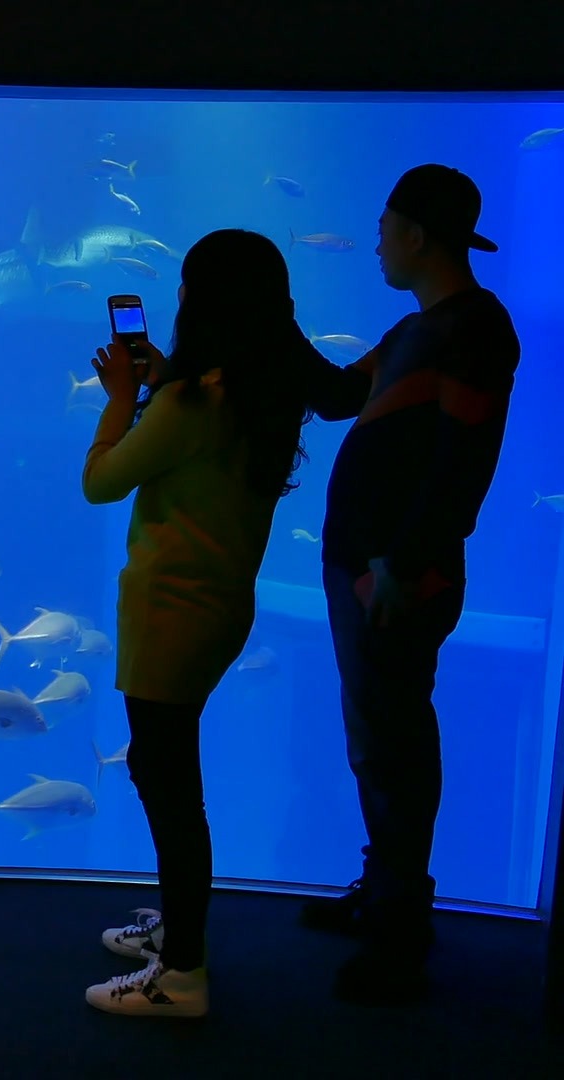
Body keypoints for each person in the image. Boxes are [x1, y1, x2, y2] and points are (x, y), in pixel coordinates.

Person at [293, 164, 518, 1004]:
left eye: (386, 226)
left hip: (394, 577)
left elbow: (465, 463)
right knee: (375, 739)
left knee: (394, 745)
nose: (378, 240)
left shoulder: (476, 330)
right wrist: (271, 324)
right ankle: (384, 892)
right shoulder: (411, 330)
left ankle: (399, 927)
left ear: (416, 234)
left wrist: (406, 563)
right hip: (363, 569)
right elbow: (335, 398)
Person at [77, 229, 312, 1018]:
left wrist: (119, 401)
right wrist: (163, 382)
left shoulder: (186, 401)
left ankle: (181, 976)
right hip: (218, 607)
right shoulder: (259, 391)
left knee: (170, 789)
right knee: (163, 771)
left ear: (200, 302)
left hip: (170, 611)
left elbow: (101, 482)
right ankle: (178, 929)